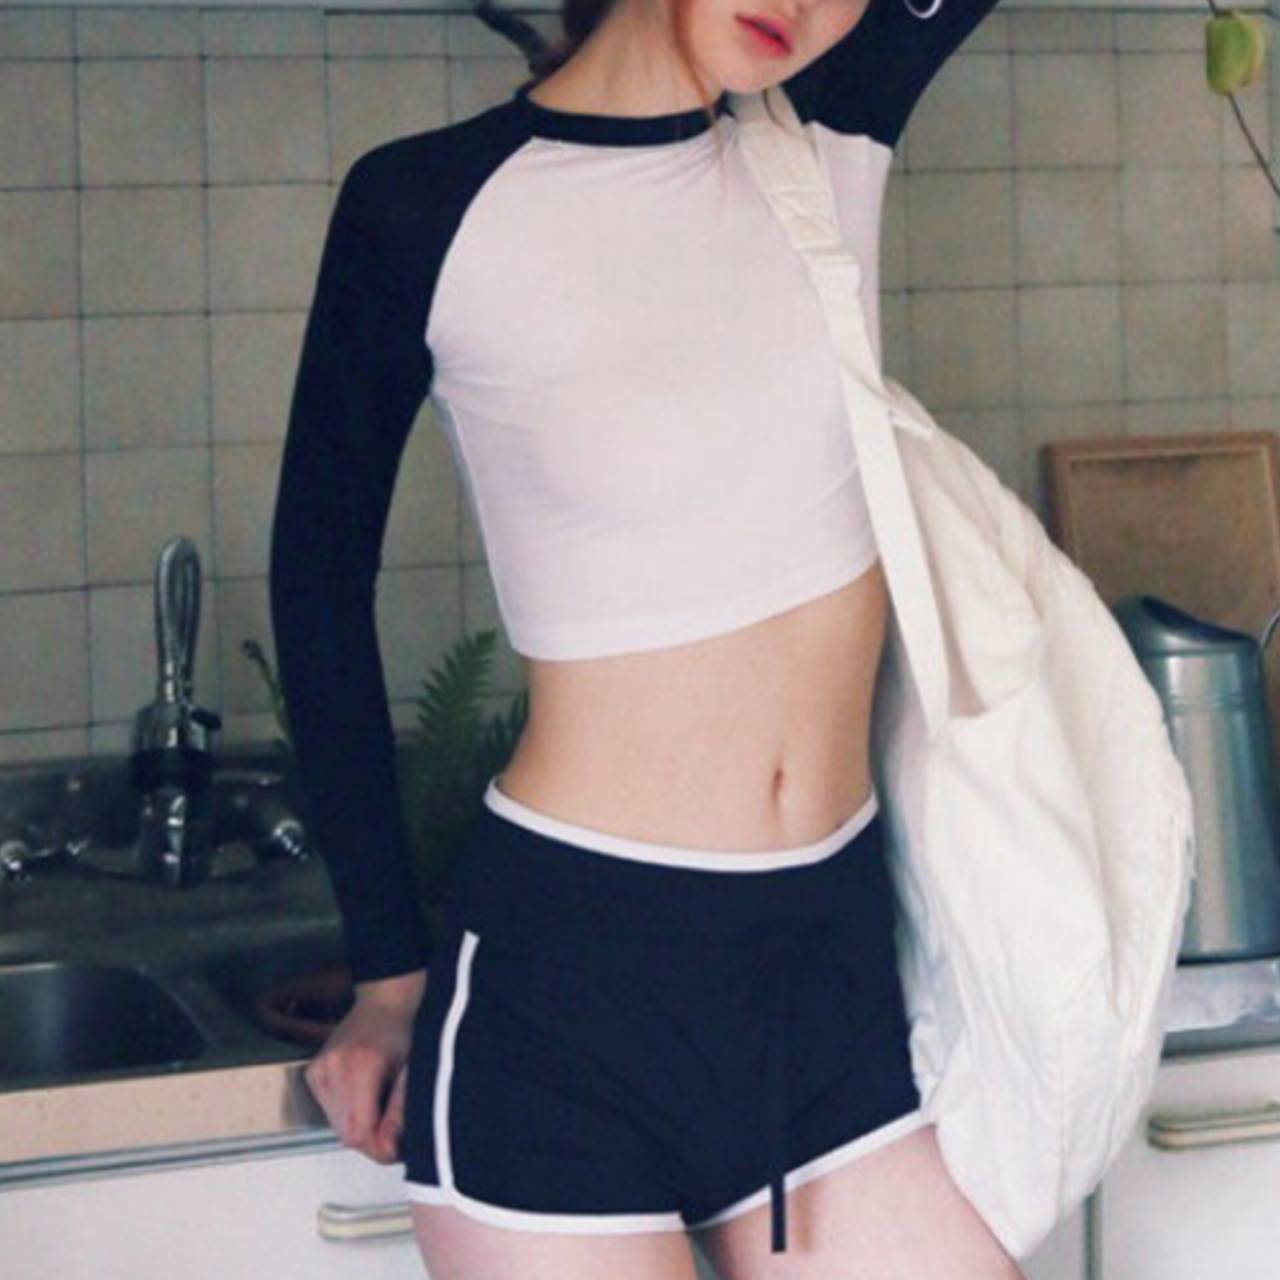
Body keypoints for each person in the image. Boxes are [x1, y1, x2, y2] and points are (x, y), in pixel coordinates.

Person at [268, 0, 1024, 1273]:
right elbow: (318, 583)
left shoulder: (828, 137)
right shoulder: (425, 206)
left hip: (825, 993)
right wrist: (388, 969)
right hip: (565, 1007)